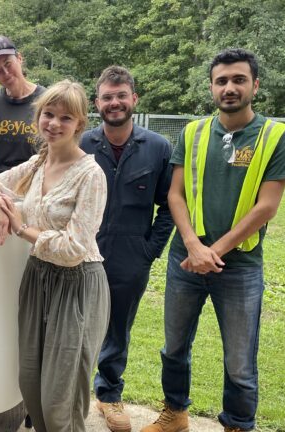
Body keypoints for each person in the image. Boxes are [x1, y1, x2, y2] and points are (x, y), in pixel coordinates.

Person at [142, 49, 285, 432]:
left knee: (240, 361)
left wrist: (212, 252)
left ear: (255, 85)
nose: (229, 88)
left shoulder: (277, 136)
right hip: (185, 261)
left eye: (238, 80)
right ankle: (175, 414)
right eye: (222, 81)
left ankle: (238, 424)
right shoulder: (193, 132)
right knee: (174, 348)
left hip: (240, 268)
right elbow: (175, 195)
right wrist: (193, 246)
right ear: (212, 87)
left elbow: (266, 207)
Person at [0, 80, 110, 432]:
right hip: (37, 278)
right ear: (38, 117)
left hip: (77, 284)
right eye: (49, 114)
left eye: (66, 118)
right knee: (30, 388)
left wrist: (20, 229)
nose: (54, 123)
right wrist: (1, 206)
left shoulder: (91, 175)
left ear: (79, 125)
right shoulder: (37, 163)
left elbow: (73, 249)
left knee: (59, 401)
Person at [80, 65, 174, 432]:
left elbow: (169, 204)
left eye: (121, 96)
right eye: (107, 97)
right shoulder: (82, 144)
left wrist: (149, 250)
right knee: (75, 324)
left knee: (118, 327)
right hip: (83, 249)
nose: (114, 103)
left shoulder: (157, 148)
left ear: (134, 99)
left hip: (131, 253)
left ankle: (109, 395)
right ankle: (68, 393)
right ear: (97, 103)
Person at [0, 35, 45, 174]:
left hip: (29, 183)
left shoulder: (46, 100)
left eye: (8, 63)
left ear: (19, 58)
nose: (5, 72)